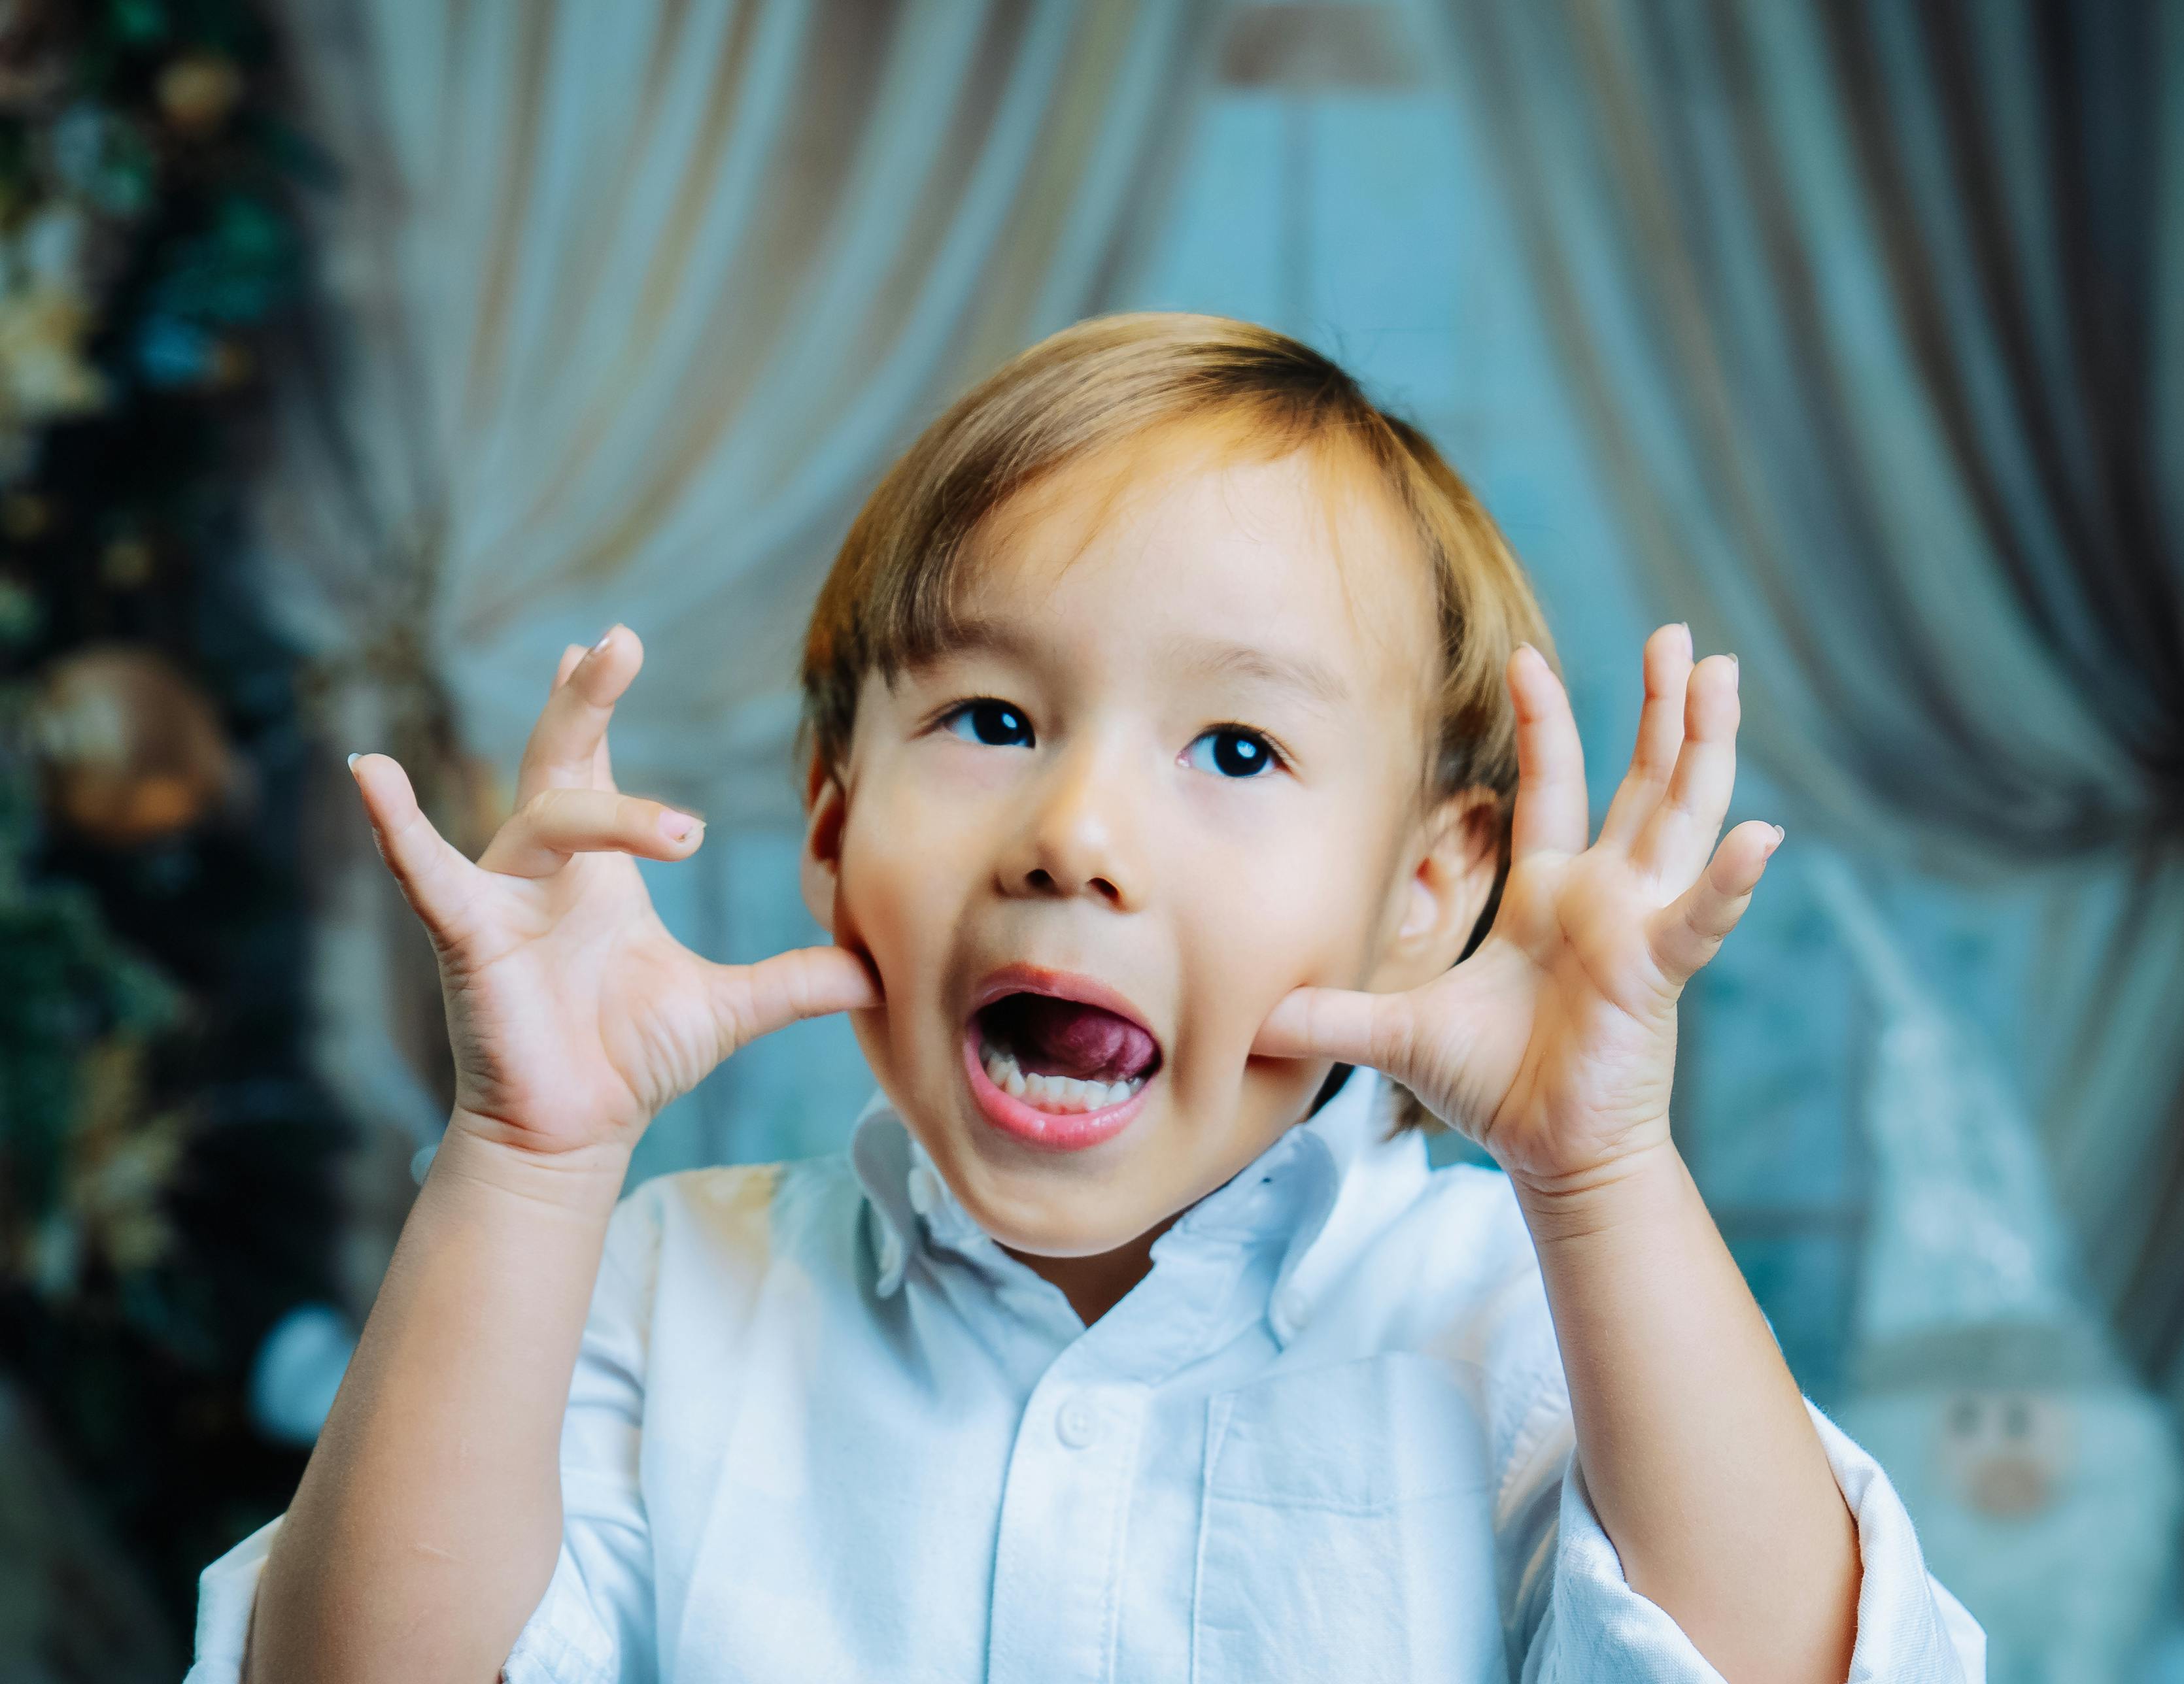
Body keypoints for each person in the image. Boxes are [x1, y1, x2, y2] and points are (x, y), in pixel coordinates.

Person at [188, 314, 1983, 1682]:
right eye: (992, 721)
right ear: (832, 823)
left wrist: (1603, 1174)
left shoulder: (1520, 1326)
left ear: (1430, 890)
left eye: (1234, 745)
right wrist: (523, 1160)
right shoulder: (658, 1296)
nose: (1077, 832)